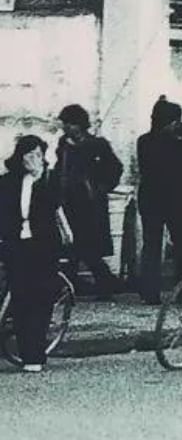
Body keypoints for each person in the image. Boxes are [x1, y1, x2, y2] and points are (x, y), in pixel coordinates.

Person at [0, 136, 70, 372]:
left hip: (44, 246)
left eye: (39, 155)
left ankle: (35, 355)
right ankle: (26, 350)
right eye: (30, 155)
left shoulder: (49, 180)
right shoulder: (8, 182)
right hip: (16, 245)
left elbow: (54, 204)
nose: (35, 159)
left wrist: (40, 177)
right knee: (21, 298)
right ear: (20, 157)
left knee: (41, 298)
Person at [54, 104, 124, 299]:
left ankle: (104, 284)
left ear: (79, 125)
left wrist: (101, 187)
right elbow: (60, 169)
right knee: (73, 246)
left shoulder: (97, 145)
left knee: (87, 247)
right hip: (68, 201)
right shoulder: (63, 145)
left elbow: (115, 168)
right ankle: (72, 286)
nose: (65, 127)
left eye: (69, 124)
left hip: (90, 203)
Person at [136, 97, 182, 305]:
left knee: (151, 245)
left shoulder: (143, 141)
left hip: (149, 197)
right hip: (173, 199)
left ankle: (149, 291)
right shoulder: (178, 143)